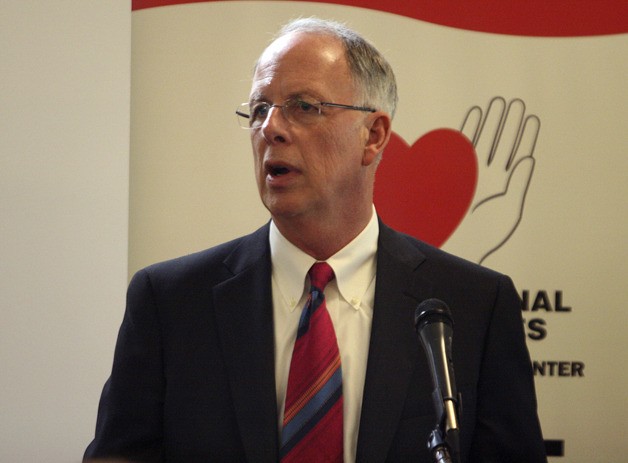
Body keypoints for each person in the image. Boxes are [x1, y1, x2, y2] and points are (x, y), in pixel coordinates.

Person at [84, 18, 546, 463]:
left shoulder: (473, 306)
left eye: (304, 106)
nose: (271, 128)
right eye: (260, 109)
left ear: (374, 135)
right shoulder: (170, 303)